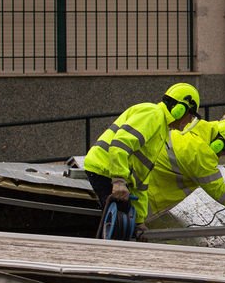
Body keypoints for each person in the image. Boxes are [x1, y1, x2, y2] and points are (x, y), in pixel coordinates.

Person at [83, 83, 200, 239]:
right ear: (180, 110)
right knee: (117, 225)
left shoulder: (162, 130)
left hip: (111, 171)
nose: (188, 122)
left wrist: (139, 222)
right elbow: (120, 145)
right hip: (104, 168)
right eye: (190, 116)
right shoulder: (153, 114)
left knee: (125, 224)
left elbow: (141, 180)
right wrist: (118, 180)